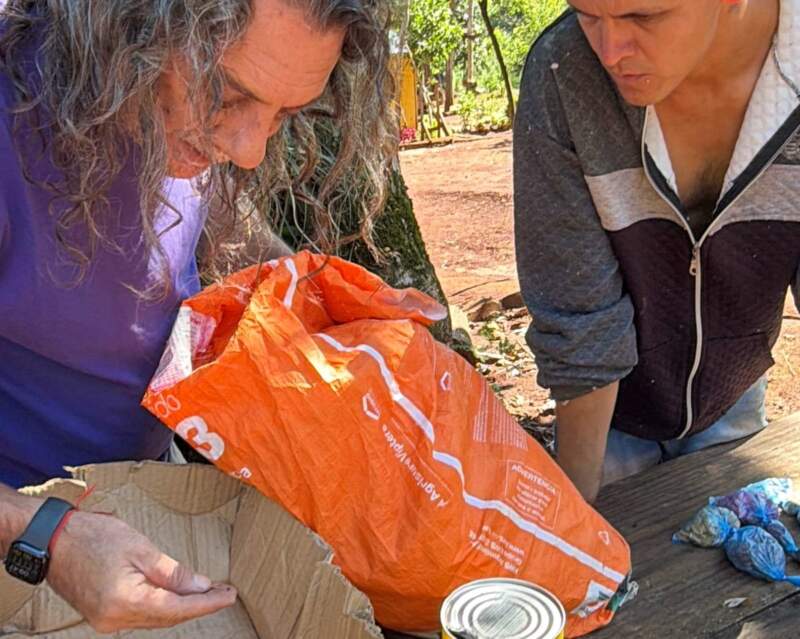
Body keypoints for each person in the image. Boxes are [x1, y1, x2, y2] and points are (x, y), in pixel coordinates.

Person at [0, 0, 391, 631]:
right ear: (126, 23)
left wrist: (320, 304)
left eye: (283, 114)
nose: (249, 152)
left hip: (148, 488)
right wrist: (46, 532)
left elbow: (215, 226)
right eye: (228, 93)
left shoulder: (176, 115)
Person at [513, 0, 800, 503]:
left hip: (734, 396)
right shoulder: (563, 71)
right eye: (585, 13)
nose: (608, 50)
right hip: (609, 422)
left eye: (644, 17)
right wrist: (579, 523)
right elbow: (582, 324)